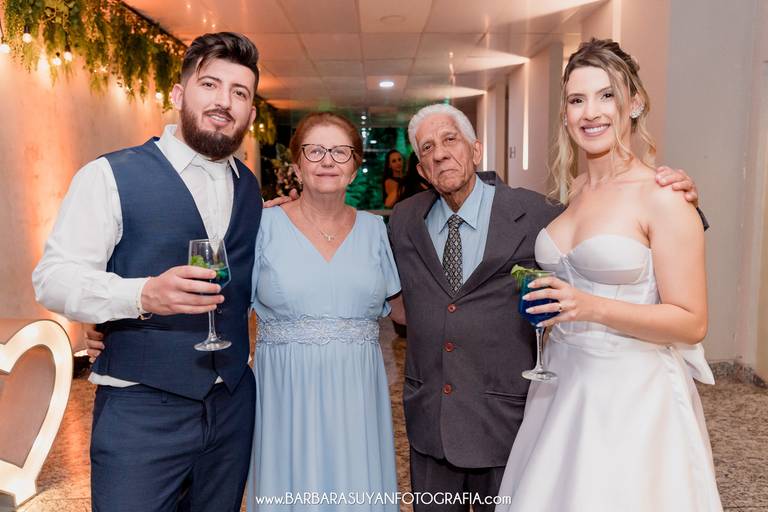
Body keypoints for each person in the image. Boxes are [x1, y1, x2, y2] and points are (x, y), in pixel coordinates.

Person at [387, 101, 702, 511]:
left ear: (476, 150)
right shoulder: (404, 220)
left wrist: (683, 199)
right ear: (421, 169)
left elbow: (607, 229)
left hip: (503, 419)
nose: (440, 153)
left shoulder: (534, 211)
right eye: (427, 148)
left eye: (450, 139)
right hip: (430, 421)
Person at [33, 32, 262, 511]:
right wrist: (140, 296)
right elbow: (53, 278)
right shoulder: (109, 175)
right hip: (140, 410)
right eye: (210, 85)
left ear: (250, 112)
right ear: (178, 94)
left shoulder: (250, 189)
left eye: (239, 92)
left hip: (231, 408)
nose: (224, 101)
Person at [494, 38, 721, 511]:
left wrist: (590, 306)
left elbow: (691, 322)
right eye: (577, 100)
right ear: (565, 113)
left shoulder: (663, 195)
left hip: (632, 396)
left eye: (606, 95)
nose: (590, 112)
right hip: (561, 383)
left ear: (634, 103)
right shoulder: (574, 189)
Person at [246, 112, 404, 511]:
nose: (328, 160)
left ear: (355, 166)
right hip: (286, 393)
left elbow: (404, 310)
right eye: (315, 151)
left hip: (358, 393)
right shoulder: (262, 225)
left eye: (340, 151)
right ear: (297, 165)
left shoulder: (375, 230)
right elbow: (226, 305)